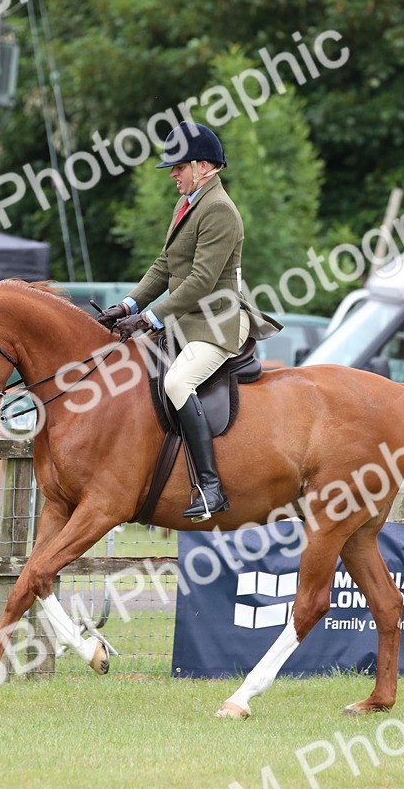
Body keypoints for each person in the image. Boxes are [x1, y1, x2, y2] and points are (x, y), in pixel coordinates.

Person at [96, 122, 280, 521]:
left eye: (178, 168)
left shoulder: (219, 210)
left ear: (203, 167)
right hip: (189, 320)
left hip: (219, 322)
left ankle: (211, 487)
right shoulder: (189, 204)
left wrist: (149, 318)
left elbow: (200, 281)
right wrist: (127, 306)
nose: (173, 175)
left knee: (177, 381)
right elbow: (165, 266)